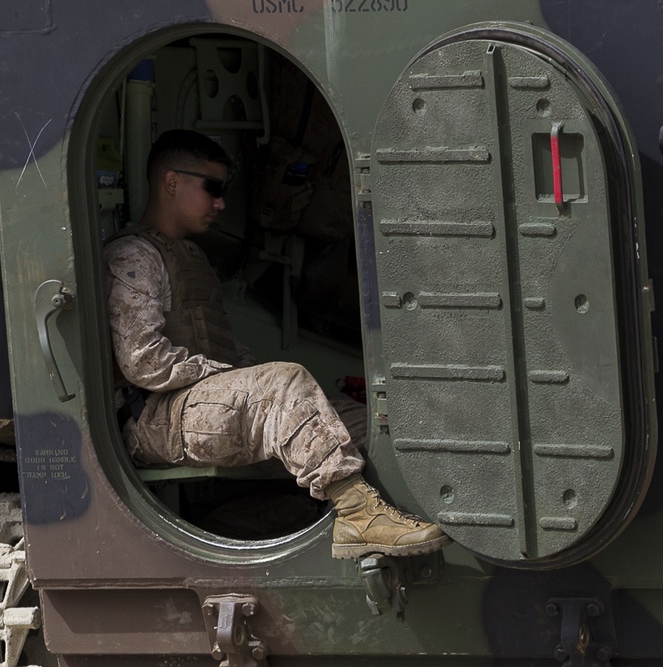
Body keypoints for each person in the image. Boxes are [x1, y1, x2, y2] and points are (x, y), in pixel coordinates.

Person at [105, 129, 450, 559]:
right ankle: (359, 516)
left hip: (196, 404)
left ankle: (425, 504)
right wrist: (232, 376)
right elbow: (143, 363)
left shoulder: (190, 258)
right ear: (171, 182)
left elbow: (221, 345)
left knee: (345, 414)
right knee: (284, 386)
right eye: (212, 188)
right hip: (153, 417)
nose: (221, 204)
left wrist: (242, 371)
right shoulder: (133, 255)